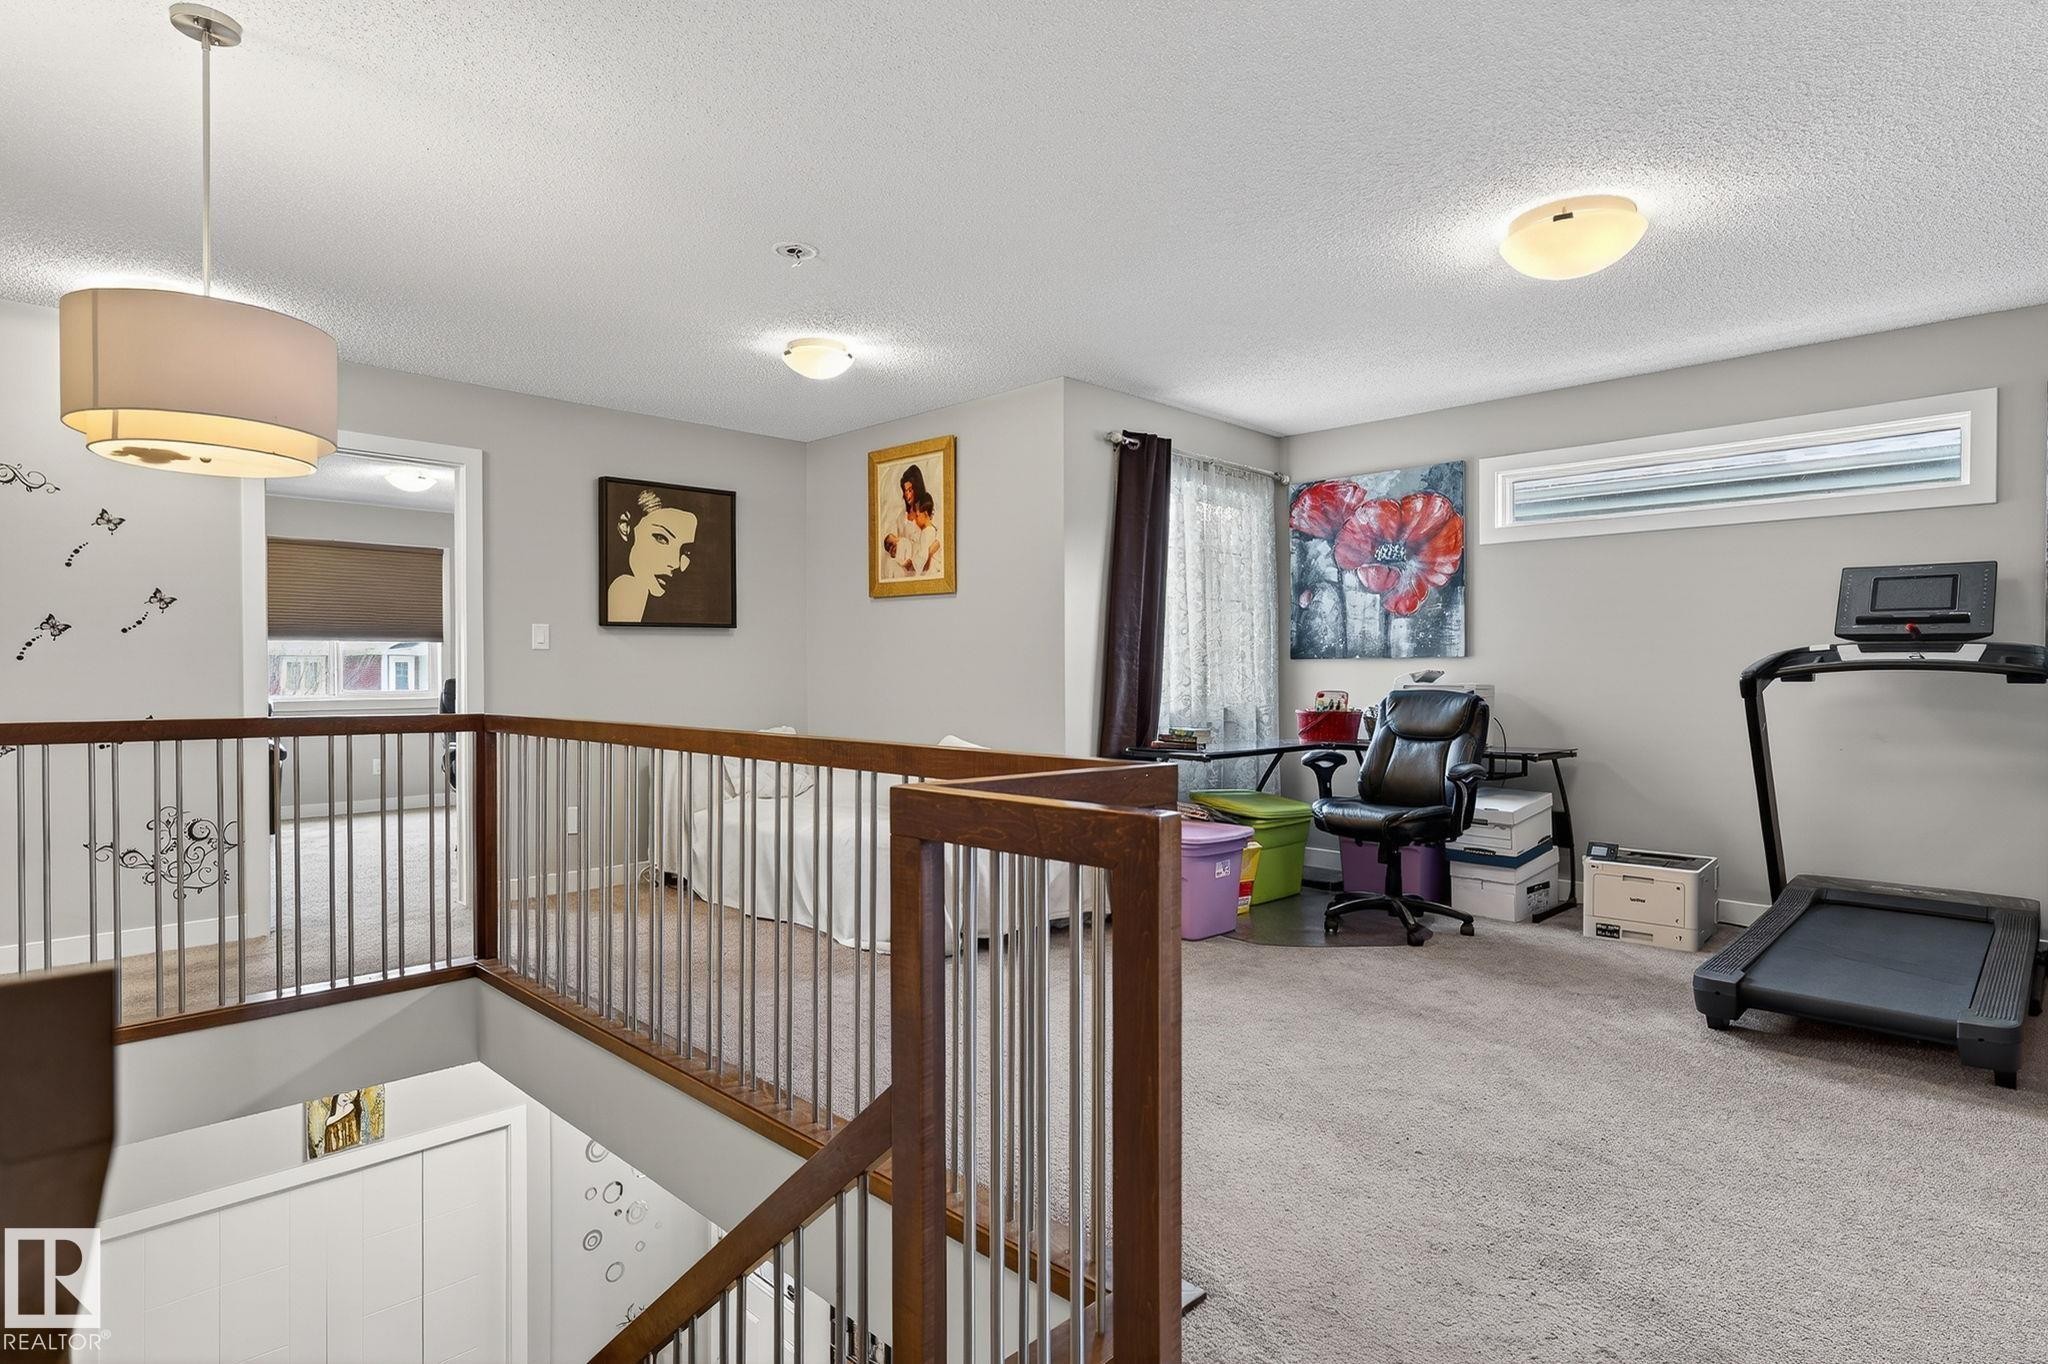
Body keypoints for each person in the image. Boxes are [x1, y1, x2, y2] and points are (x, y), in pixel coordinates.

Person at [608, 488, 698, 622]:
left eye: (686, 551)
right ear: (625, 527)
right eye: (661, 538)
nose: (676, 563)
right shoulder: (628, 587)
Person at [880, 463, 927, 566]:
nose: (907, 496)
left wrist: (920, 561)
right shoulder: (902, 517)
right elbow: (896, 545)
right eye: (905, 491)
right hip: (906, 564)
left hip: (923, 562)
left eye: (910, 490)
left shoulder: (926, 513)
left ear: (918, 488)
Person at [894, 491, 942, 576]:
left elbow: (923, 556)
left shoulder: (927, 532)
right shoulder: (930, 530)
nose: (915, 520)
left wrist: (912, 563)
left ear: (926, 514)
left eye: (917, 515)